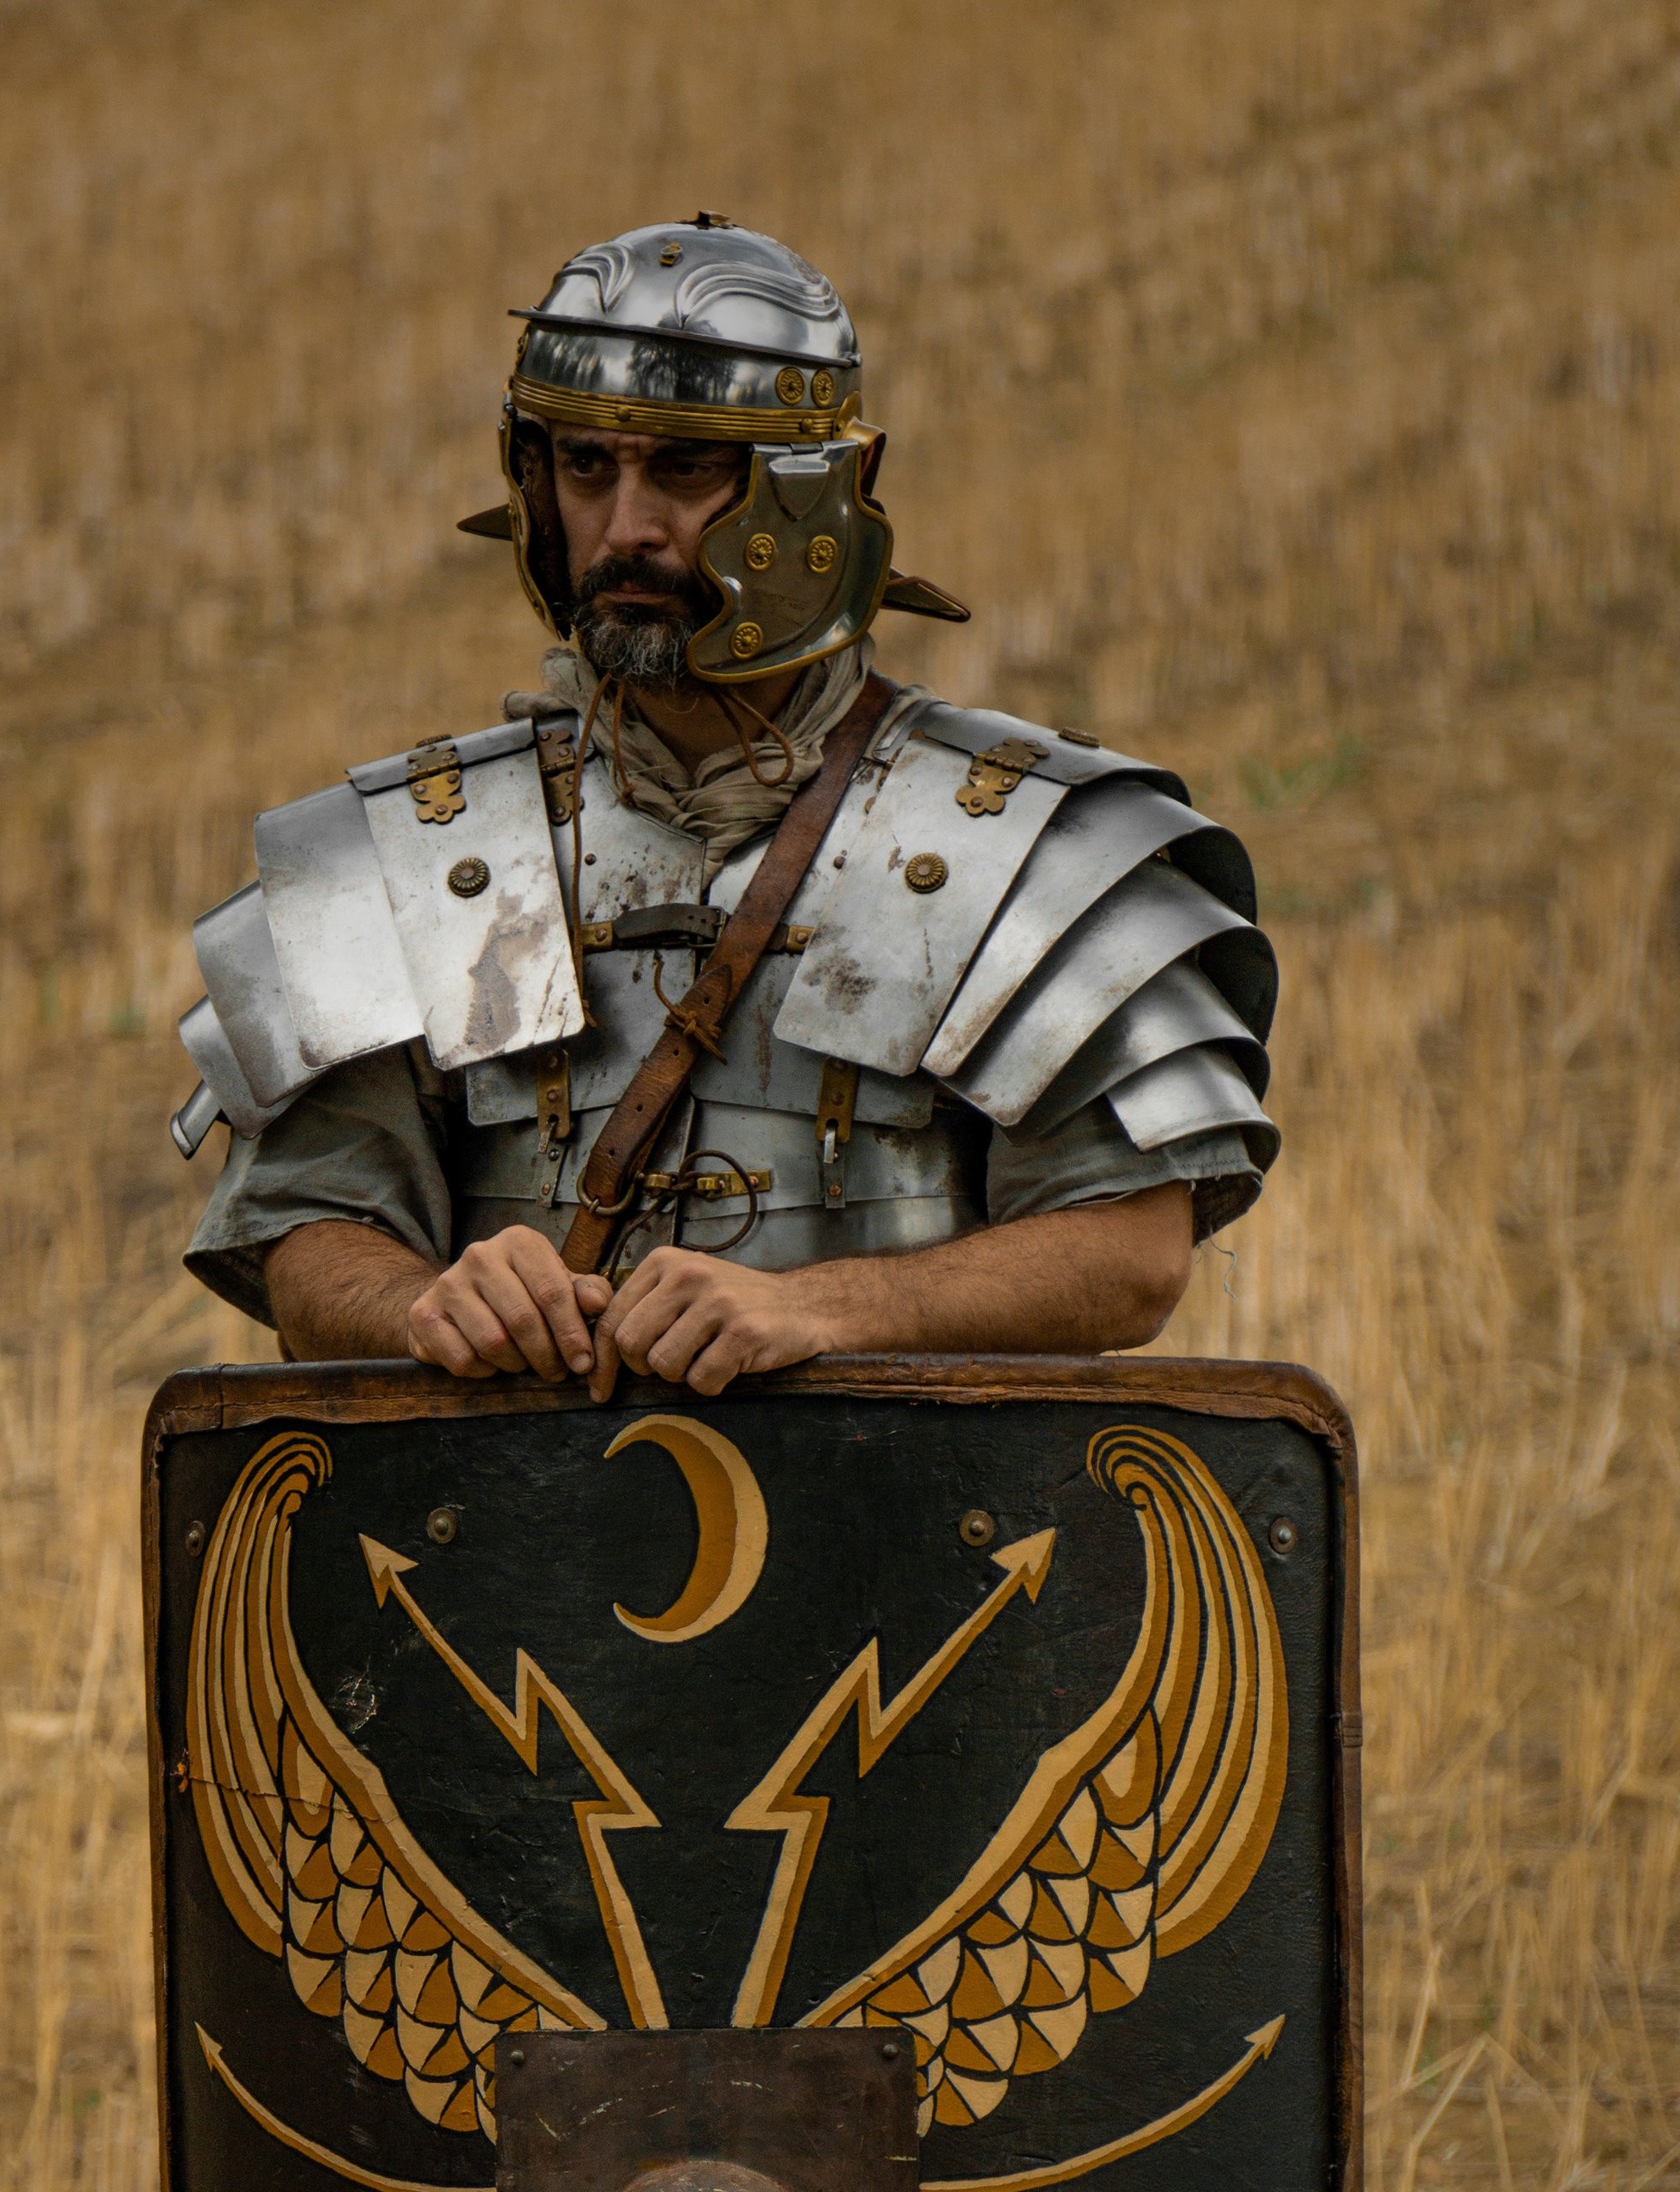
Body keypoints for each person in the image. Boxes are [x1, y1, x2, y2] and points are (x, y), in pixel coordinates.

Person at [172, 219, 1277, 1402]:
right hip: (522, 1547)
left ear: (813, 497)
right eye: (586, 468)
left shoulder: (1024, 840)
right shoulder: (415, 849)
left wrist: (825, 1309)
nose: (627, 527)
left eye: (687, 471)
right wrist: (429, 1304)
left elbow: (1131, 1252)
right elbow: (305, 1228)